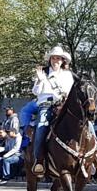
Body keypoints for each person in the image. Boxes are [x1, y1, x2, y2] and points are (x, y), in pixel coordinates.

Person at [31, 46, 76, 177]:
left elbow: (71, 91)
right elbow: (36, 92)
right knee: (41, 126)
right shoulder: (43, 73)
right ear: (50, 59)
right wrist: (39, 80)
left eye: (58, 58)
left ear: (63, 61)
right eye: (53, 58)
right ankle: (38, 160)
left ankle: (96, 153)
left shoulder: (68, 75)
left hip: (64, 105)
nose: (55, 60)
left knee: (85, 123)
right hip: (46, 105)